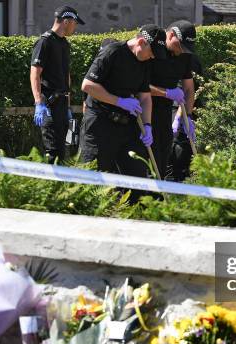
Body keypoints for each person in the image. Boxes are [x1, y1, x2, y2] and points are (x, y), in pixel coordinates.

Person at [80, 25, 167, 199]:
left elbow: (145, 96)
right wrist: (119, 101)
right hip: (100, 123)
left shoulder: (144, 62)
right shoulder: (113, 53)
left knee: (137, 177)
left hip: (126, 127)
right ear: (141, 42)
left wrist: (148, 125)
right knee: (93, 178)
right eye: (151, 52)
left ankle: (136, 218)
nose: (152, 57)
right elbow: (88, 86)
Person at [30, 6, 84, 164]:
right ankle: (51, 188)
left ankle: (61, 187)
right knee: (52, 152)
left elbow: (66, 75)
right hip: (49, 105)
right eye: (75, 23)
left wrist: (67, 106)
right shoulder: (44, 42)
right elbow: (35, 74)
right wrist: (39, 103)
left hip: (61, 104)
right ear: (66, 21)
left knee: (62, 150)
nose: (75, 27)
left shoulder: (64, 44)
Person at [148, 20, 198, 180]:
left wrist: (186, 115)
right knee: (146, 162)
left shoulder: (184, 56)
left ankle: (159, 201)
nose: (181, 51)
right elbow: (137, 86)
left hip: (165, 115)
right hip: (145, 112)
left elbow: (189, 88)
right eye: (180, 46)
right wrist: (166, 93)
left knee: (164, 162)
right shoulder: (153, 48)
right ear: (170, 35)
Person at [166, 51, 203, 182]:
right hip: (175, 107)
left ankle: (179, 179)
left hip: (180, 108)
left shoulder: (189, 60)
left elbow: (188, 91)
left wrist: (180, 116)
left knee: (178, 148)